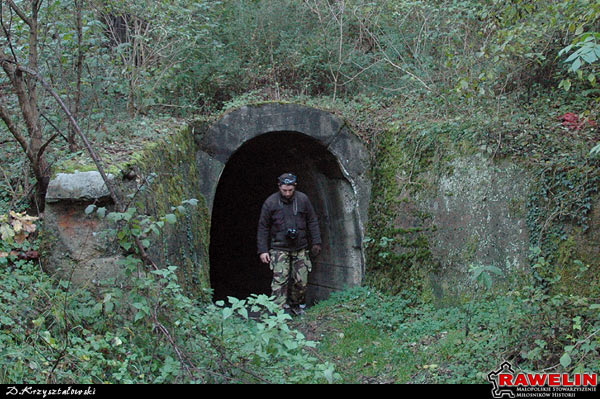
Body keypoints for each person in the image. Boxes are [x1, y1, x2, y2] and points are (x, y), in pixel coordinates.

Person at [257, 173, 322, 315]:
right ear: (279, 186)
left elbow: (312, 220)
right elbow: (263, 227)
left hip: (300, 247)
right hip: (279, 248)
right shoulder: (271, 202)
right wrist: (262, 250)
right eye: (284, 190)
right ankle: (277, 312)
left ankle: (295, 305)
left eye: (290, 190)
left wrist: (316, 241)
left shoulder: (303, 200)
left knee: (301, 281)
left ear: (295, 187)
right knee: (280, 281)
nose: (287, 193)